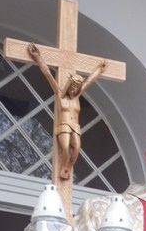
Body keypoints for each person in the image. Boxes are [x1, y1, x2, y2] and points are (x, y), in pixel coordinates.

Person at [28, 43, 107, 181]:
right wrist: (38, 57)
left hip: (75, 126)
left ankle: (68, 168)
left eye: (76, 89)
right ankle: (63, 167)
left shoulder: (76, 97)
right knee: (65, 148)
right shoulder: (60, 95)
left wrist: (99, 70)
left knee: (76, 148)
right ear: (69, 86)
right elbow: (48, 74)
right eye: (72, 88)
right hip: (64, 125)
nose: (74, 91)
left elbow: (89, 81)